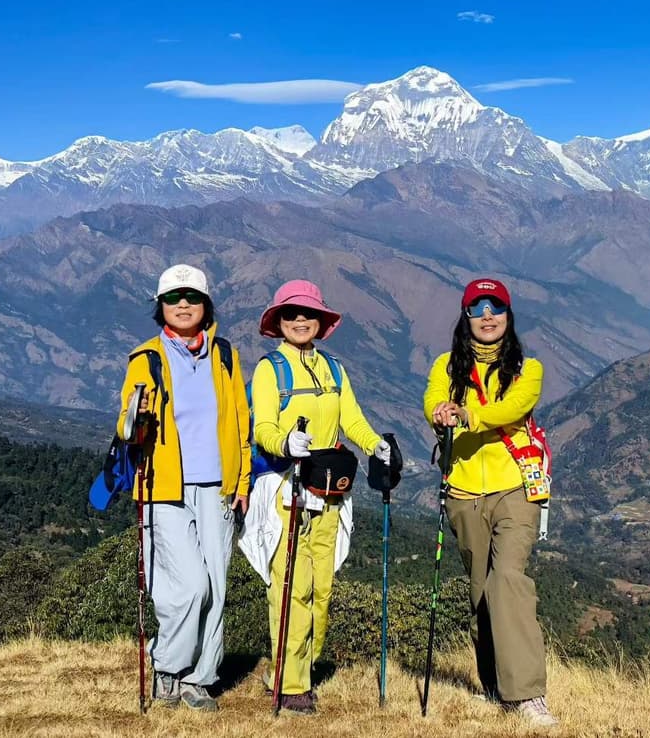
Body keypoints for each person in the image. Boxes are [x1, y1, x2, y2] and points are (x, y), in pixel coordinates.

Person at [238, 279, 391, 715]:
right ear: (279, 322)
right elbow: (262, 427)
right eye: (291, 314)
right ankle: (290, 684)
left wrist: (374, 444)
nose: (300, 320)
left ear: (322, 322)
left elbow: (352, 419)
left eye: (309, 314)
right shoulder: (271, 370)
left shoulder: (334, 370)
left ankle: (296, 669)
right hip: (284, 492)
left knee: (321, 590)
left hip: (329, 494)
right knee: (291, 588)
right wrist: (286, 442)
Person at [423, 277, 558, 728]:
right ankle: (495, 687)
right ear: (465, 315)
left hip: (515, 488)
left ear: (508, 315)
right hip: (463, 492)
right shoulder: (446, 366)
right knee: (481, 592)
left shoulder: (527, 368)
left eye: (495, 307)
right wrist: (440, 411)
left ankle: (528, 694)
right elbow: (431, 402)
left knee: (507, 580)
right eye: (478, 307)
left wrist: (467, 414)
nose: (487, 315)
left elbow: (513, 408)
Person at [116, 264, 251, 710]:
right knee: (188, 586)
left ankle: (200, 678)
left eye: (192, 297)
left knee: (215, 586)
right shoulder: (147, 358)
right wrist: (135, 419)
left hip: (218, 488)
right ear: (161, 307)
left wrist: (242, 480)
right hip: (162, 489)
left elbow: (240, 423)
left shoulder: (225, 355)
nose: (183, 305)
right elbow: (127, 422)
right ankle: (168, 666)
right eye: (174, 299)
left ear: (206, 304)